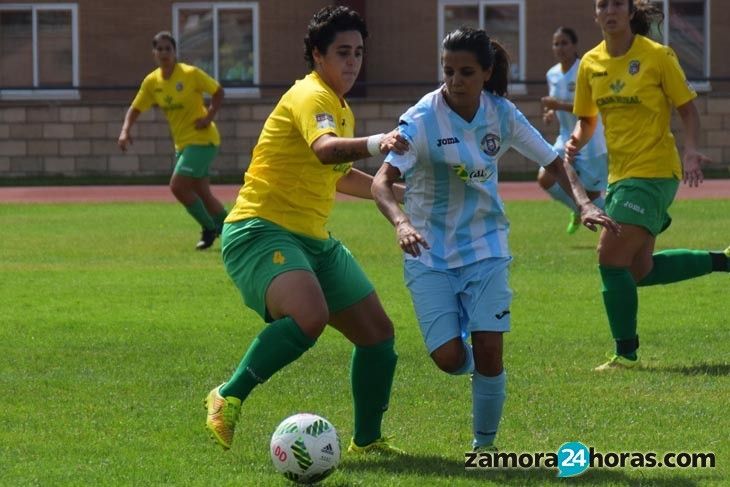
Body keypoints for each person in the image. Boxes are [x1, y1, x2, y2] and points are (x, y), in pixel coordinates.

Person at [371, 27, 617, 451]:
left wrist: (584, 204)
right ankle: (475, 360)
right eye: (448, 71)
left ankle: (484, 448)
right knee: (448, 359)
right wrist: (400, 222)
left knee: (490, 347)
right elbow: (381, 182)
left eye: (466, 72)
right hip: (428, 250)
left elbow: (554, 160)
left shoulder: (501, 113)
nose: (455, 81)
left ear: (486, 73)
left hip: (486, 246)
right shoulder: (422, 118)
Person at [204, 6, 408, 455]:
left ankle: (368, 440)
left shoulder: (339, 108)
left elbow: (338, 172)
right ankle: (228, 395)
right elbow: (325, 151)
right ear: (318, 55)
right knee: (309, 315)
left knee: (378, 335)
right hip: (259, 229)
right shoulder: (310, 96)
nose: (352, 62)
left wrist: (405, 192)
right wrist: (381, 142)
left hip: (313, 239)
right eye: (342, 52)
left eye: (358, 52)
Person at [567, 0, 730, 371]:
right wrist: (576, 139)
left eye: (616, 4)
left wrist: (691, 151)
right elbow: (587, 119)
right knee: (637, 271)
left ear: (628, 11)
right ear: (596, 14)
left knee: (609, 257)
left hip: (655, 171)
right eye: (601, 5)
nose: (609, 11)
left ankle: (625, 354)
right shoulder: (590, 64)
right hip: (620, 175)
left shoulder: (657, 56)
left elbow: (687, 108)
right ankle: (723, 261)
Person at [118, 31, 228, 250]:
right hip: (183, 144)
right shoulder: (152, 82)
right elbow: (136, 107)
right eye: (159, 49)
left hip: (203, 140)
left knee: (177, 186)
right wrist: (125, 130)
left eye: (168, 48)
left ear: (175, 52)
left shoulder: (190, 74)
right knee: (203, 194)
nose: (164, 53)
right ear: (154, 53)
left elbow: (218, 92)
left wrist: (208, 117)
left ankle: (209, 227)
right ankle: (231, 232)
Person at [540, 27, 608, 235]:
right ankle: (579, 208)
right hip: (565, 137)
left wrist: (558, 105)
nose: (560, 48)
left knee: (592, 192)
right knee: (545, 177)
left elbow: (594, 107)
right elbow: (553, 103)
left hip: (590, 138)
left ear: (574, 45)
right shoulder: (551, 73)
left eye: (564, 43)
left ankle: (622, 228)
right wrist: (550, 113)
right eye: (556, 43)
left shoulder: (584, 69)